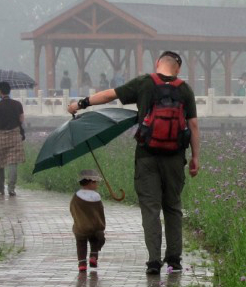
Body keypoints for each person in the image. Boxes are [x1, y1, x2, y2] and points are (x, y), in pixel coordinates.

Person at [67, 50, 200, 275]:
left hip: (147, 156)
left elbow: (110, 95)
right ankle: (174, 261)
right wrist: (195, 157)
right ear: (177, 69)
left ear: (158, 63)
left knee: (150, 209)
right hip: (175, 158)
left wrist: (82, 103)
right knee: (173, 208)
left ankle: (154, 262)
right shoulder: (185, 89)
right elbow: (193, 126)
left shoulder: (144, 83)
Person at [0, 81, 26, 197]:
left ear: (0, 92)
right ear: (9, 91)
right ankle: (11, 188)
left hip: (0, 138)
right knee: (13, 162)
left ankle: (0, 186)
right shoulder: (17, 104)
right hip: (15, 137)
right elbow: (22, 120)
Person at [70, 169, 106, 272]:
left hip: (81, 227)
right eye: (96, 182)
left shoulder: (76, 196)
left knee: (81, 244)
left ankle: (82, 264)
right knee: (95, 240)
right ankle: (93, 257)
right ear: (91, 182)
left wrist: (78, 221)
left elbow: (72, 210)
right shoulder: (96, 196)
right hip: (94, 228)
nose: (97, 185)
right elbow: (100, 212)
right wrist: (101, 226)